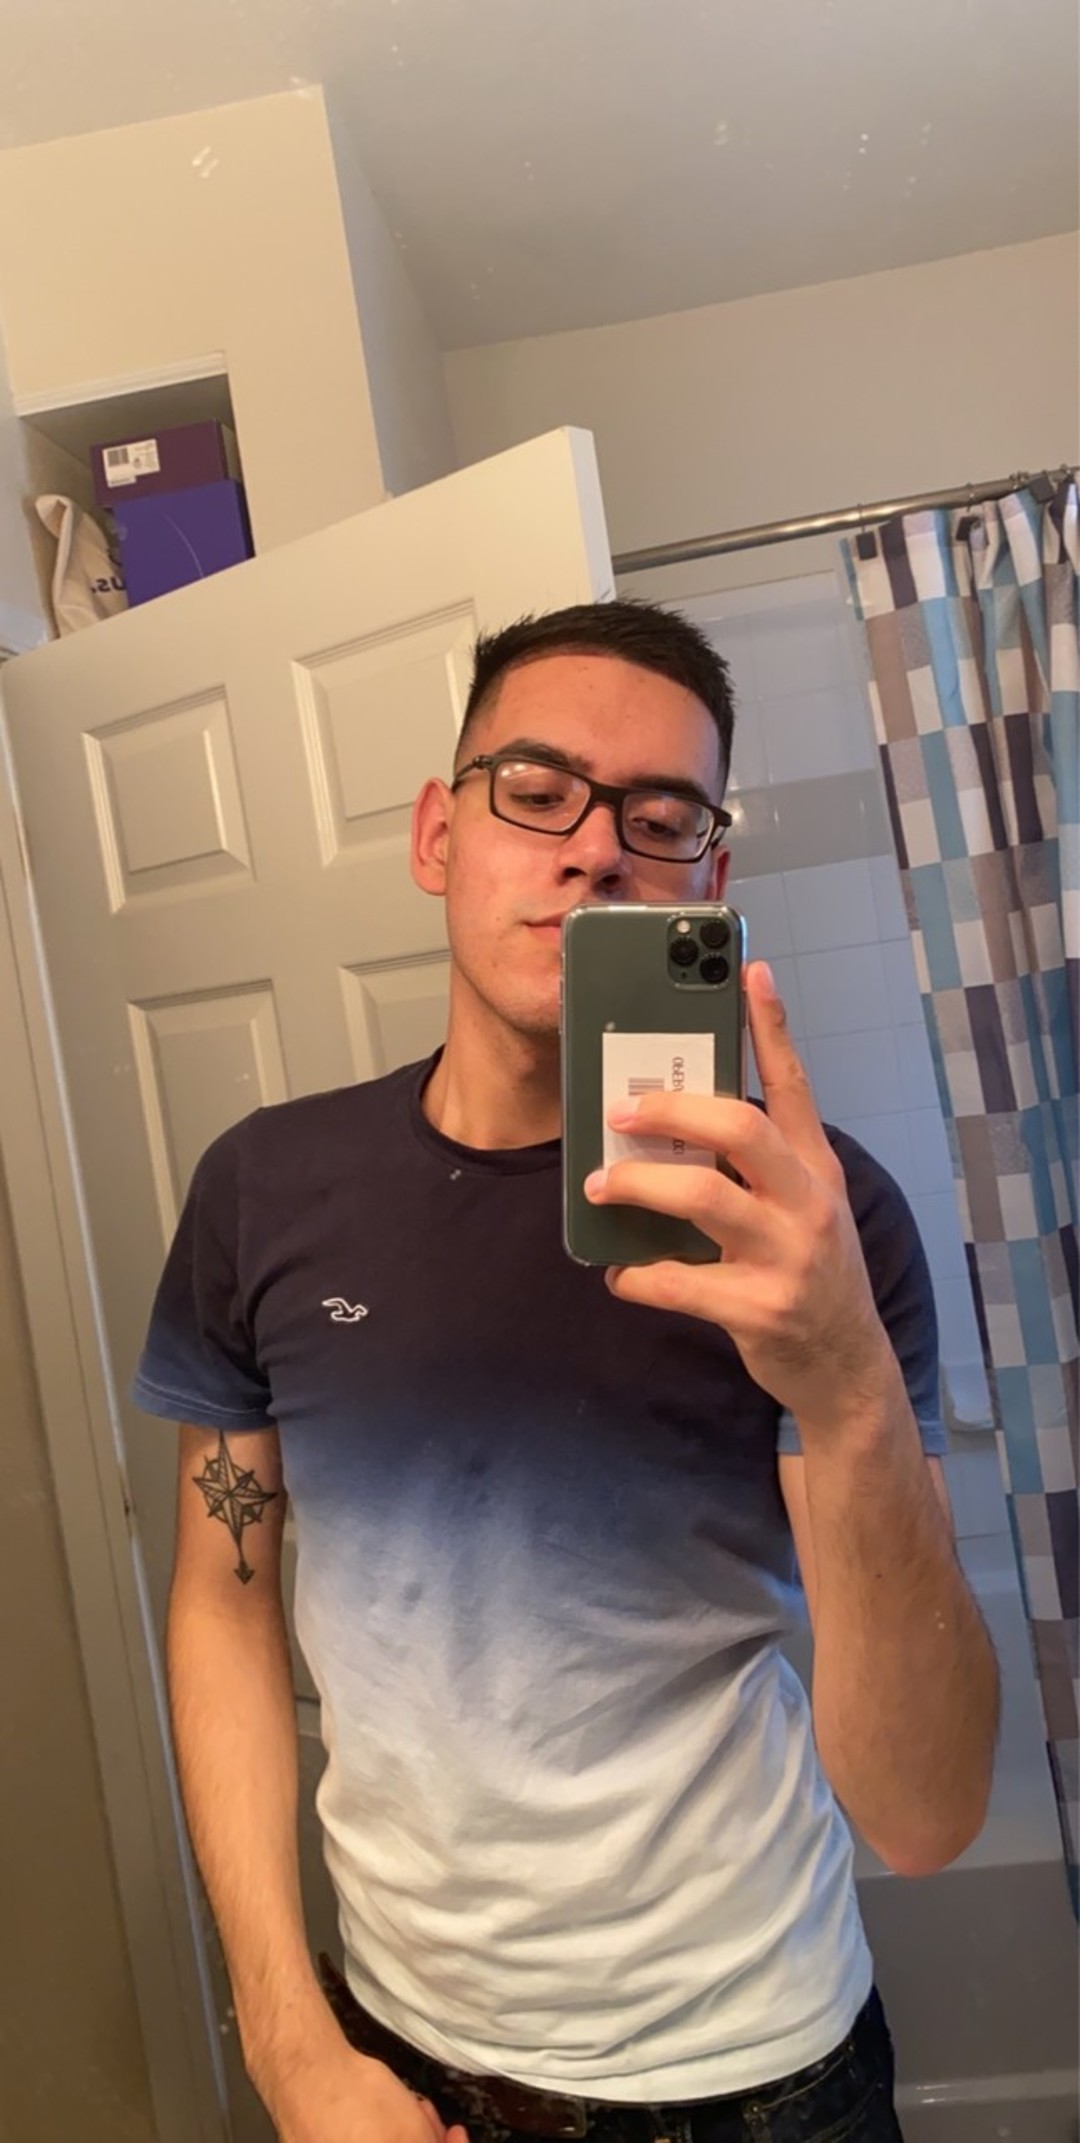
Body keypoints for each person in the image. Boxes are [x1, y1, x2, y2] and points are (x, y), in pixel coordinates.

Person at [133, 599, 1000, 2143]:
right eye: (537, 791)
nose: (596, 850)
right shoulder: (263, 1189)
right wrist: (285, 2035)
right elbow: (224, 1600)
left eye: (661, 819)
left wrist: (847, 1382)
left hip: (755, 2075)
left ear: (707, 881)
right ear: (438, 835)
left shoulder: (815, 1219)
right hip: (393, 2049)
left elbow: (925, 1814)